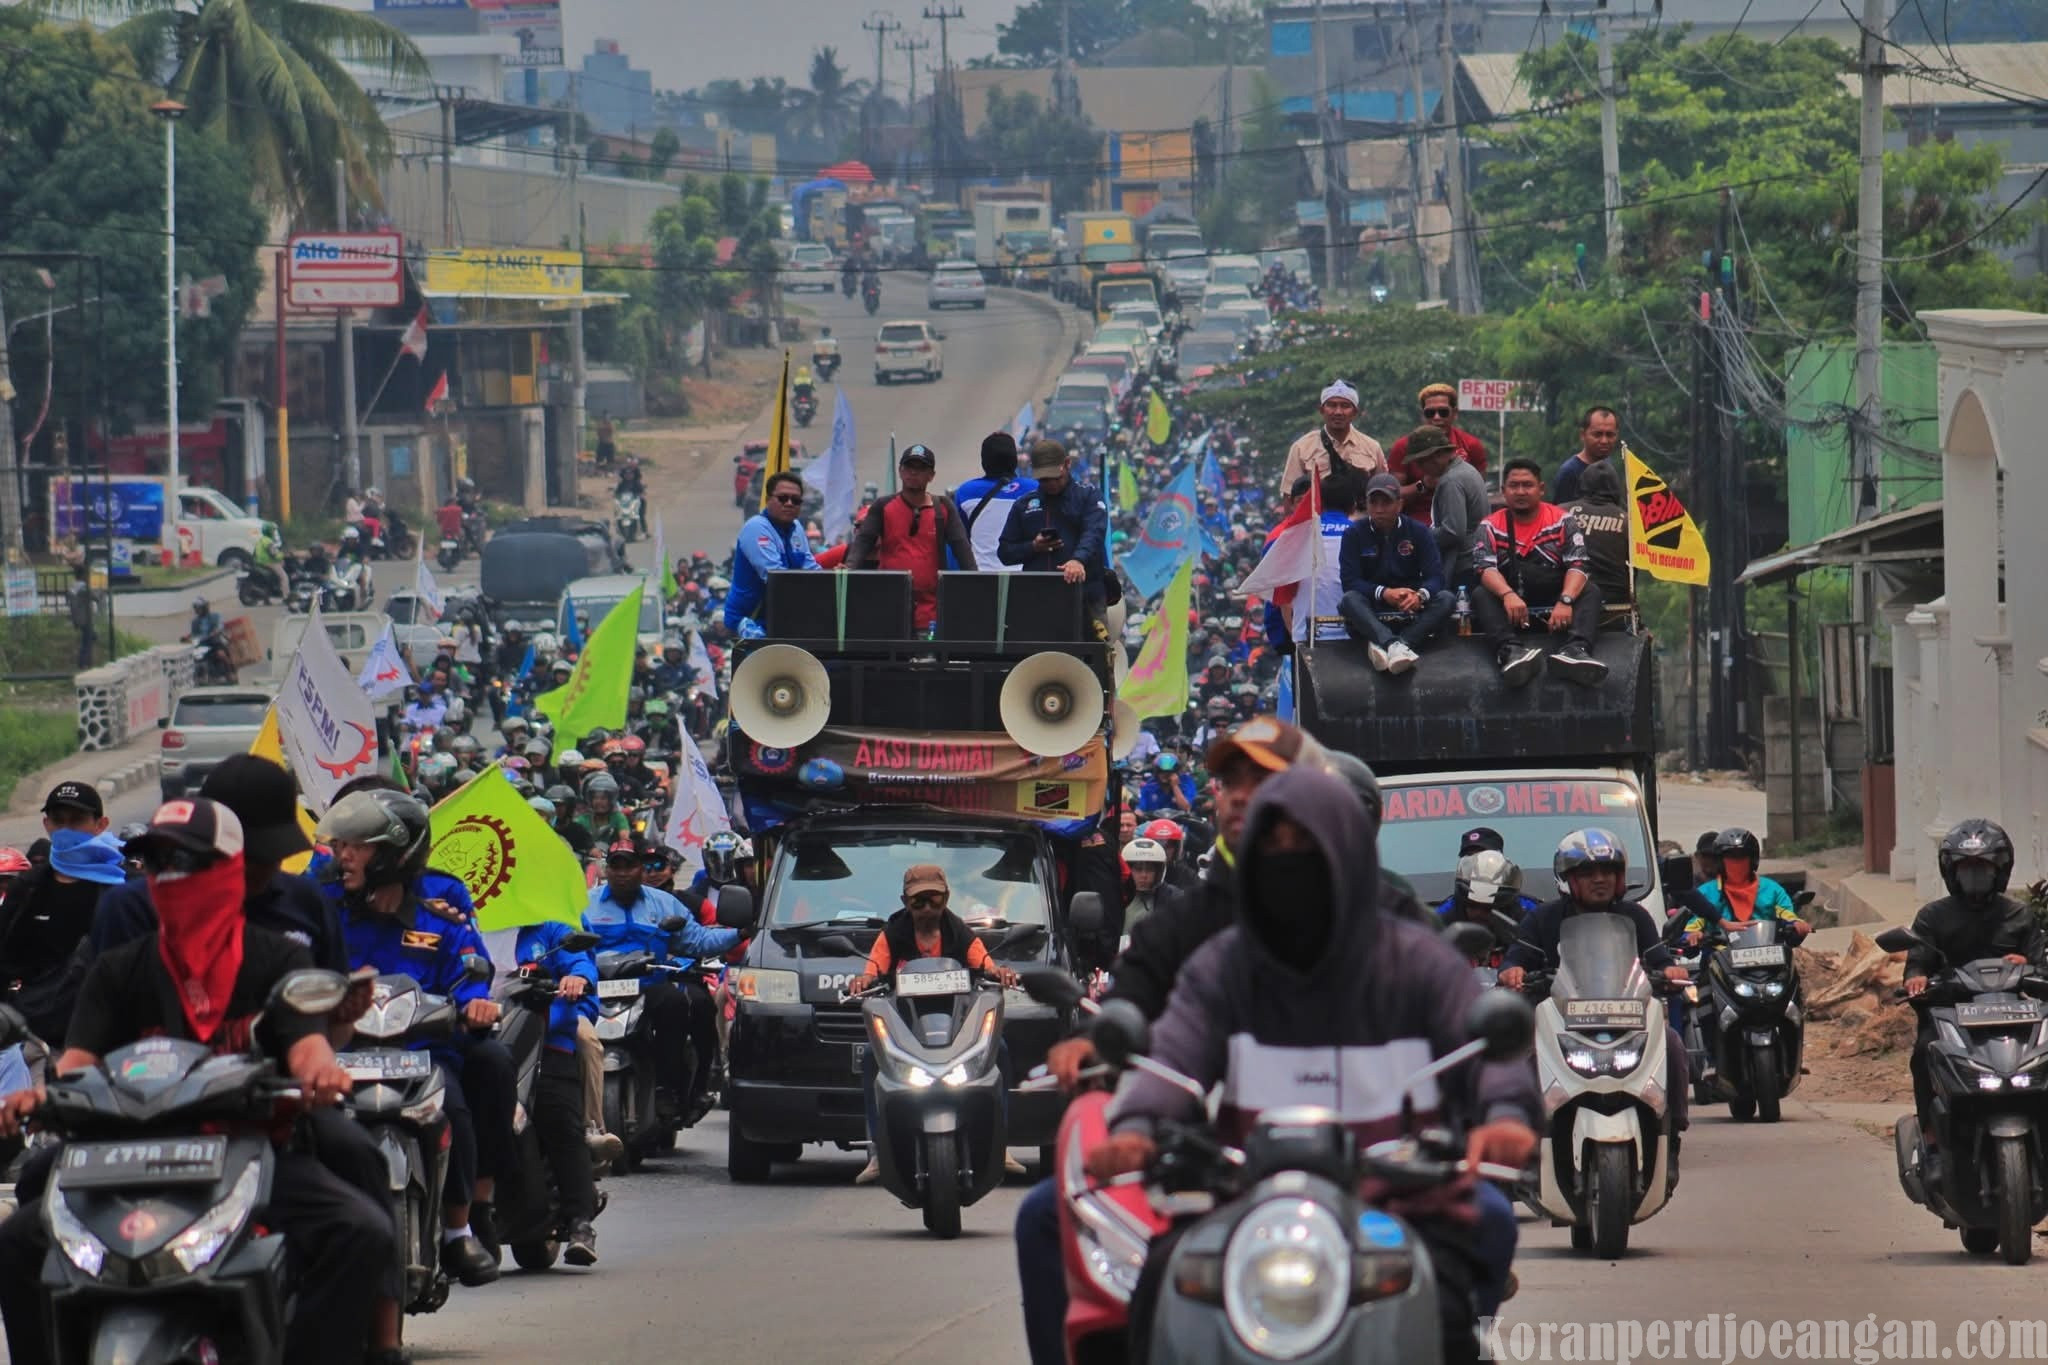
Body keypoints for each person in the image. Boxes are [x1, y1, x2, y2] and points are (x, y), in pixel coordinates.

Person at [1085, 766, 1540, 1365]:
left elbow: (1488, 1050)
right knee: (1158, 1295)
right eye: (1272, 847)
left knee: (1449, 1320)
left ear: (1348, 853)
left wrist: (1504, 1115)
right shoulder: (1225, 966)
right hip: (1249, 1203)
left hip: (1401, 1201)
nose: (1289, 863)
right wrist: (1137, 1126)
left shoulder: (1418, 961)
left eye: (1307, 845)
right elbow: (1174, 1056)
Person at [0, 799, 392, 1365]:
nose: (171, 876)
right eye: (158, 862)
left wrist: (321, 1072)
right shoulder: (119, 968)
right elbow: (77, 1063)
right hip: (121, 1158)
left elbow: (306, 1045)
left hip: (249, 1152)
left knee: (361, 1233)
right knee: (16, 1244)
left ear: (230, 870)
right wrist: (41, 1095)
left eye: (186, 861)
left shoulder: (277, 959)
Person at [1014, 718, 1322, 1365]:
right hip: (1212, 1145)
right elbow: (1139, 992)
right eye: (1230, 780)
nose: (1240, 795)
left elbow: (1443, 1016)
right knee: (1048, 1214)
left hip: (1349, 1141)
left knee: (1476, 1224)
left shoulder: (1363, 906)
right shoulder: (1193, 919)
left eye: (1260, 779)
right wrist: (1100, 1040)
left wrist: (1489, 1102)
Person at [317, 788, 509, 1286]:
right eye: (342, 845)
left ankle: (457, 1231)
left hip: (421, 1055)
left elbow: (470, 971)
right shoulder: (324, 908)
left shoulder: (439, 919)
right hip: (341, 1053)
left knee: (456, 1108)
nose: (343, 854)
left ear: (395, 854)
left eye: (358, 845)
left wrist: (476, 1003)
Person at [1499, 828, 1689, 1162]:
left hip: (1626, 1020)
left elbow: (1661, 960)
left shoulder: (1636, 917)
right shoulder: (1543, 918)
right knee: (1523, 1057)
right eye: (1587, 873)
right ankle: (1526, 1141)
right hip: (1559, 1022)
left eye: (1607, 872)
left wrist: (1671, 971)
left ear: (1620, 877)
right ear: (1568, 879)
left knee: (1671, 1043)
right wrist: (1513, 971)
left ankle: (1669, 1133)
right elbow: (1516, 959)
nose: (1598, 879)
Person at [848, 864, 1021, 1184]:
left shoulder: (960, 932)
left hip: (957, 1022)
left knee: (1002, 1051)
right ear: (904, 901)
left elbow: (984, 963)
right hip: (906, 1023)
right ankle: (876, 1152)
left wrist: (1000, 973)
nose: (927, 909)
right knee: (873, 1058)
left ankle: (1001, 1145)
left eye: (934, 900)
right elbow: (872, 968)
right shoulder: (892, 934)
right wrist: (864, 980)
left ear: (946, 899)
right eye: (918, 902)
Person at [1902, 820, 2045, 1137]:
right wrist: (1917, 979)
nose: (1975, 873)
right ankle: (1931, 1134)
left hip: (2018, 1015)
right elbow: (1917, 962)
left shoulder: (2020, 915)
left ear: (1999, 869)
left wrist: (2028, 964)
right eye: (1967, 866)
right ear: (1952, 871)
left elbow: (2041, 965)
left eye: (1982, 865)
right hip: (1954, 1014)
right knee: (1925, 1050)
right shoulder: (1932, 916)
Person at [584, 840, 739, 1126]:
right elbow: (568, 941)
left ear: (639, 869)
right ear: (607, 870)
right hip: (596, 988)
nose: (621, 872)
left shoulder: (664, 903)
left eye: (628, 865)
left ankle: (667, 1087)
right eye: (615, 865)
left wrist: (740, 933)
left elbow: (698, 940)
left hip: (647, 987)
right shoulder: (585, 903)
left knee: (676, 1003)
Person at [0, 782, 125, 1044]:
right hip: (39, 1033)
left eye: (77, 820)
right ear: (47, 825)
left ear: (100, 825)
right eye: (59, 820)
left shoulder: (123, 888)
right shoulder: (29, 888)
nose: (67, 829)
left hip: (109, 1031)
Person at [1470, 459, 1607, 688]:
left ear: (1541, 489)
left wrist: (1566, 600)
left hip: (1556, 605)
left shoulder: (1563, 520)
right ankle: (1510, 652)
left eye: (1527, 485)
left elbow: (1579, 564)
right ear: (1504, 491)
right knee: (1480, 593)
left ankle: (1576, 650)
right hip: (1511, 608)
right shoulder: (1489, 526)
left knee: (1591, 590)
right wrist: (1507, 595)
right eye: (1514, 486)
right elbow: (1484, 568)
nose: (1521, 492)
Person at [511, 919, 601, 1265]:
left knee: (561, 1121)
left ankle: (580, 1221)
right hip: (489, 1042)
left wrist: (577, 978)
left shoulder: (551, 930)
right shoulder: (472, 929)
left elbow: (580, 963)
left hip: (547, 1042)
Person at [846, 442, 977, 632]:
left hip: (931, 613)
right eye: (909, 467)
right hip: (889, 608)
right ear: (900, 471)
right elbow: (863, 542)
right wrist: (848, 569)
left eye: (921, 468)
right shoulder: (883, 506)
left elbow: (962, 549)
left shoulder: (944, 508)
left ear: (931, 475)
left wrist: (977, 584)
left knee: (928, 661)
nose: (913, 473)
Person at [1338, 471, 1456, 672]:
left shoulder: (1419, 531)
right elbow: (1350, 581)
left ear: (1400, 504)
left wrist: (1420, 595)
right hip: (1372, 607)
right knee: (1349, 599)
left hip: (1410, 606)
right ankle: (1394, 645)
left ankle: (1396, 644)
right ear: (1366, 504)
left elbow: (1436, 577)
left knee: (1446, 598)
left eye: (1386, 503)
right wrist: (1384, 593)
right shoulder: (1354, 533)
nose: (1379, 509)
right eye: (1373, 503)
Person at [997, 441, 1110, 633]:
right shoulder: (1023, 505)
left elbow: (1094, 533)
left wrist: (1077, 560)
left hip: (1085, 597)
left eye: (1055, 478)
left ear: (1067, 464)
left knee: (1095, 657)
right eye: (1044, 479)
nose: (1050, 484)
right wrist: (1033, 547)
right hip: (1037, 600)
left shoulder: (1089, 496)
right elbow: (1005, 552)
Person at [726, 470, 821, 633]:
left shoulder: (797, 527)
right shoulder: (756, 527)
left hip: (781, 617)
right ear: (768, 499)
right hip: (751, 621)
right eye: (783, 498)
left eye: (796, 500)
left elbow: (812, 570)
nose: (789, 503)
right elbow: (778, 579)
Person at [1680, 827, 1812, 942]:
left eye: (1742, 857)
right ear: (1720, 862)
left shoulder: (1772, 890)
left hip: (1768, 955)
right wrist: (1692, 935)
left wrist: (1797, 924)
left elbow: (1788, 915)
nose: (1736, 863)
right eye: (1731, 857)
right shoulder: (1705, 893)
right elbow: (1692, 924)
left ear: (1753, 860)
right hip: (1720, 957)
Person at [1404, 425, 1491, 590]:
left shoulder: (1451, 481)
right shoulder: (1467, 470)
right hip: (1477, 559)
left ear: (1436, 457)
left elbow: (1452, 532)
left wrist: (1418, 537)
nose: (1420, 468)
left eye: (1421, 462)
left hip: (1463, 565)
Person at [1387, 382, 1490, 520]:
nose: (1437, 417)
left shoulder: (1471, 445)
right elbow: (1392, 493)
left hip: (1460, 521)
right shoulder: (1403, 447)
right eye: (1430, 413)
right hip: (1416, 524)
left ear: (1454, 413)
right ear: (1422, 415)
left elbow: (1478, 491)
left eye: (1443, 412)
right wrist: (1423, 485)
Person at [952, 431, 1037, 574]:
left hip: (981, 578)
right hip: (1025, 578)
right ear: (1014, 460)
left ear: (983, 461)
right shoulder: (1034, 488)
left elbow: (960, 539)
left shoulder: (966, 492)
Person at [1279, 379, 1386, 491]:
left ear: (1355, 412)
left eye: (1345, 406)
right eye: (1332, 405)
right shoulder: (1301, 448)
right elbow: (1290, 497)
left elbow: (1381, 493)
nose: (1338, 412)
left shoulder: (1372, 448)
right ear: (1321, 410)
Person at [1435, 851, 1538, 964]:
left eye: (1488, 908)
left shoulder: (1529, 912)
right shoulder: (1443, 916)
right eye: (1472, 905)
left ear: (1505, 905)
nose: (1479, 913)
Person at [1565, 457, 1633, 609]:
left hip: (1569, 598)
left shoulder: (1560, 513)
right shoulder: (1629, 521)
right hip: (1616, 602)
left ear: (1582, 484)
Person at [1549, 405, 1620, 504]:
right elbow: (1559, 514)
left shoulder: (1609, 466)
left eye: (1610, 435)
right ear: (1583, 435)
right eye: (1597, 434)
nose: (1604, 441)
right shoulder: (1569, 472)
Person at [1120, 837, 1184, 939]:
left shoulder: (1173, 896)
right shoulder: (1114, 896)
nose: (1144, 875)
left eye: (1150, 870)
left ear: (1159, 872)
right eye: (1138, 869)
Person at [66, 569, 94, 668]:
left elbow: (68, 600)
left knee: (89, 637)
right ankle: (82, 663)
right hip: (85, 618)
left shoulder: (72, 587)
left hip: (76, 617)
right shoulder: (84, 588)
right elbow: (95, 597)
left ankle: (83, 661)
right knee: (88, 640)